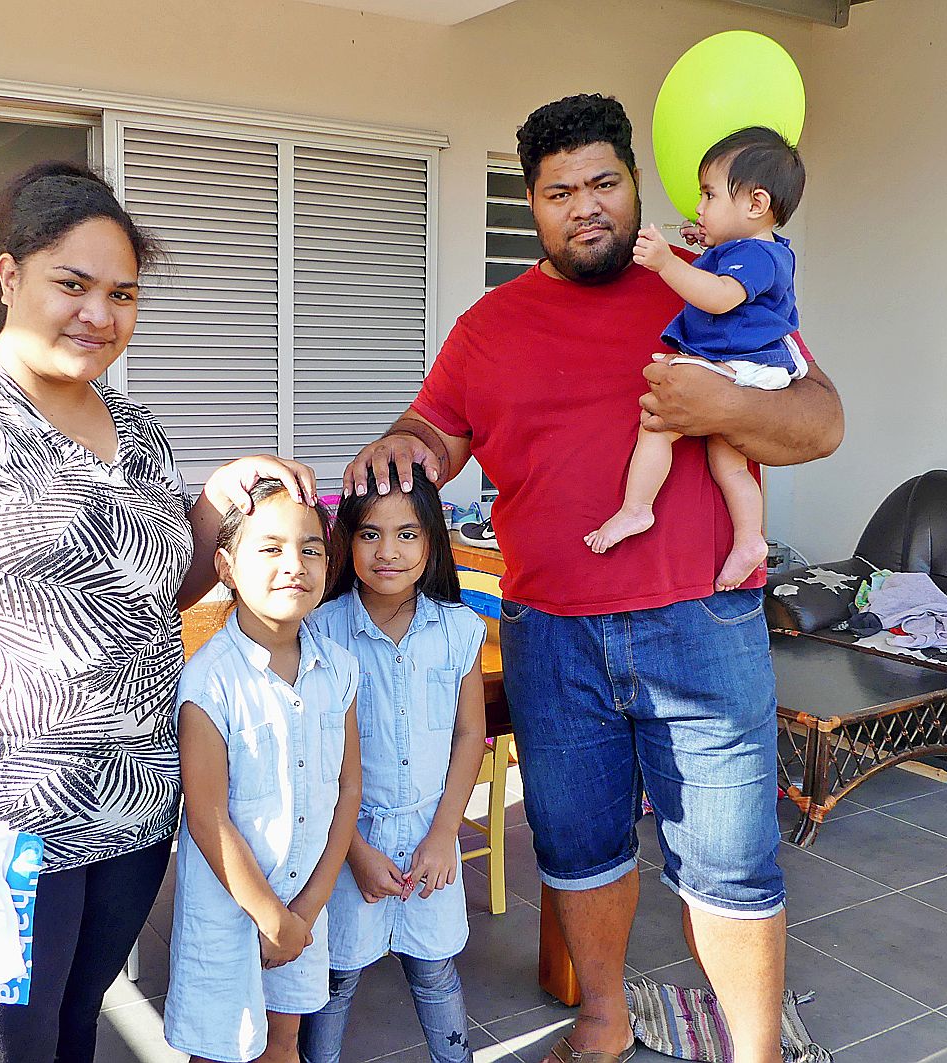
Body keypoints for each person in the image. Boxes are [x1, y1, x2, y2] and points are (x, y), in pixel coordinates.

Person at [344, 95, 843, 1063]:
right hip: (551, 630)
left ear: (634, 184)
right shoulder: (488, 327)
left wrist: (720, 402)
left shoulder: (709, 287)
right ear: (532, 204)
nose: (585, 206)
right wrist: (395, 448)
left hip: (701, 622)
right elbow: (432, 432)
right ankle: (603, 1018)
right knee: (576, 846)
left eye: (603, 183)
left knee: (731, 862)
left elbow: (819, 422)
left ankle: (755, 1052)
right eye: (558, 191)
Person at [0, 160, 317, 1063]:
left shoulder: (141, 432)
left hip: (127, 818)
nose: (99, 314)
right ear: (9, 276)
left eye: (122, 294)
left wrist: (217, 505)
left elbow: (153, 593)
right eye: (71, 284)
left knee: (71, 1037)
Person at [164, 480, 362, 1063]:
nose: (294, 565)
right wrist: (272, 917)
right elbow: (207, 817)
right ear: (226, 567)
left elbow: (348, 789)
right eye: (270, 548)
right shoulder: (210, 680)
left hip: (304, 902)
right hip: (228, 912)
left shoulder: (339, 669)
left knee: (283, 1043)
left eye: (310, 548)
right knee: (219, 1049)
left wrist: (305, 911)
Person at [300, 464, 487, 1063]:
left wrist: (443, 836)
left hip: (431, 838)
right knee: (335, 976)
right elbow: (311, 758)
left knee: (435, 971)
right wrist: (353, 851)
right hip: (346, 839)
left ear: (431, 542)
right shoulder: (319, 631)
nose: (388, 551)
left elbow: (470, 735)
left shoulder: (459, 629)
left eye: (407, 534)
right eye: (370, 534)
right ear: (346, 541)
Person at [586, 128, 807, 596]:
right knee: (729, 462)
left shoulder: (758, 256)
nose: (699, 207)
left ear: (756, 203)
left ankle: (637, 508)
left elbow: (721, 297)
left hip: (743, 365)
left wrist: (667, 263)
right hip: (753, 366)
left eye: (709, 195)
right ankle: (750, 540)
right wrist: (707, 248)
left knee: (658, 420)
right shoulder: (753, 250)